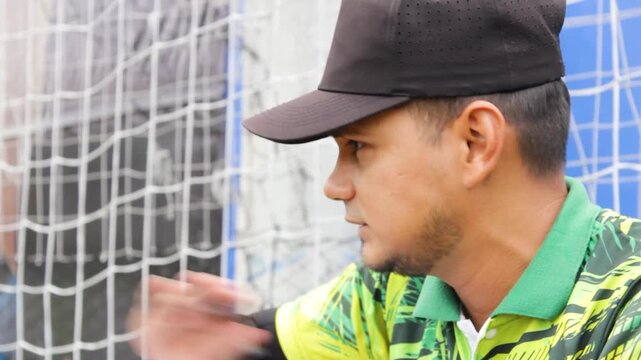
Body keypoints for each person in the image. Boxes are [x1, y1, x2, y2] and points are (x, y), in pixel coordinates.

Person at [128, 0, 641, 359]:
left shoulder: (627, 308)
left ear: (476, 142)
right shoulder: (394, 292)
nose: (335, 185)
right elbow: (251, 346)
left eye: (357, 147)